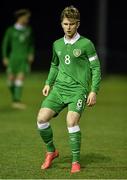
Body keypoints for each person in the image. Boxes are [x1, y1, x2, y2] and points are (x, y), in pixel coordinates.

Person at [37, 5, 101, 173]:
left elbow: (96, 68)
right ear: (61, 24)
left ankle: (75, 161)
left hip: (77, 91)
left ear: (78, 24)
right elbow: (54, 65)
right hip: (59, 89)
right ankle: (51, 152)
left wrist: (93, 90)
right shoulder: (57, 44)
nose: (68, 27)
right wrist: (48, 83)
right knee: (41, 119)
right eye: (65, 24)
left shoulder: (86, 44)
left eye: (72, 24)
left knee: (71, 121)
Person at [2, 9, 34, 109]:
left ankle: (17, 101)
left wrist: (31, 54)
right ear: (21, 17)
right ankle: (15, 98)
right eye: (26, 17)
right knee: (10, 80)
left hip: (23, 59)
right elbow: (5, 45)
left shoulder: (28, 30)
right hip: (13, 58)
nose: (28, 20)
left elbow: (31, 44)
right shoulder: (10, 30)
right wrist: (5, 57)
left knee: (20, 79)